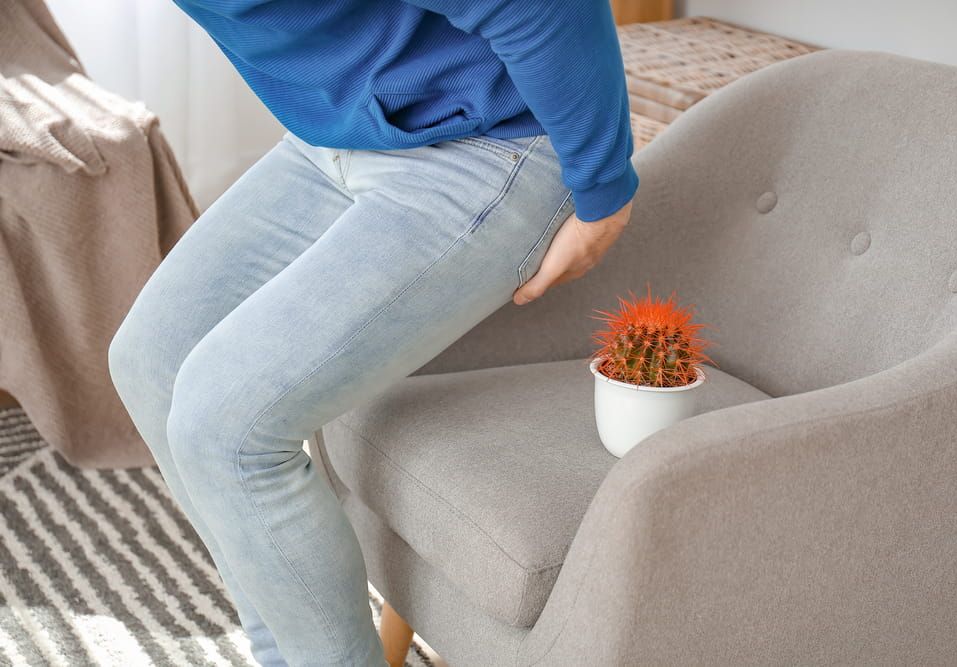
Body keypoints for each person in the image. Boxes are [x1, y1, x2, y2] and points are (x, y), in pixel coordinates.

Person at [108, 0, 638, 665]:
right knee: (149, 359)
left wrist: (603, 189)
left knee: (224, 425)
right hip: (337, 139)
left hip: (494, 137)